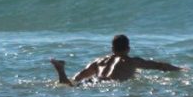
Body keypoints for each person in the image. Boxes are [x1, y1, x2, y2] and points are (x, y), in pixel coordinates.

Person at [49, 34, 181, 86]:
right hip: (109, 83)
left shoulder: (99, 61)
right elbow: (160, 66)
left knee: (70, 85)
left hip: (94, 80)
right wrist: (179, 68)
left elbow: (78, 77)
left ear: (112, 48)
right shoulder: (132, 61)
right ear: (128, 49)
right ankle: (60, 70)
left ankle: (61, 70)